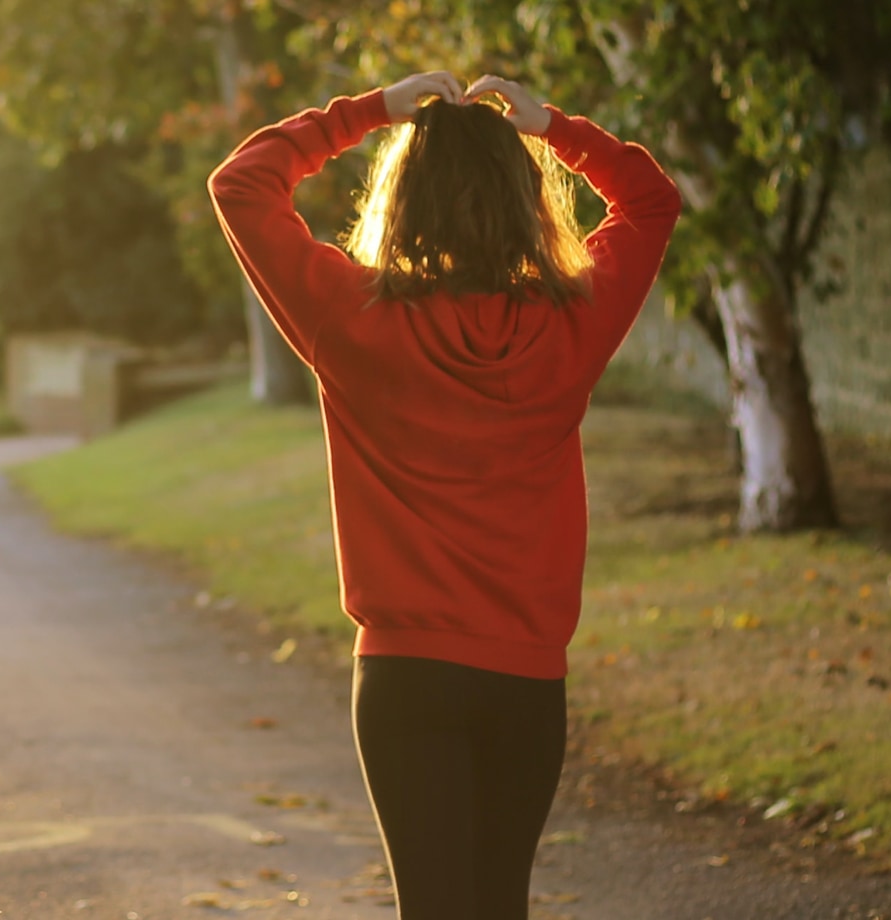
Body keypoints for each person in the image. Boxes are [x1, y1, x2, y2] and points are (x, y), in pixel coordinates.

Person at [206, 72, 681, 917]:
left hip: (405, 676)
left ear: (405, 198)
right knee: (500, 906)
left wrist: (369, 111)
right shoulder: (570, 322)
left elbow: (241, 183)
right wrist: (553, 128)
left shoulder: (353, 320)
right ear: (525, 202)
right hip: (526, 681)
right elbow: (649, 203)